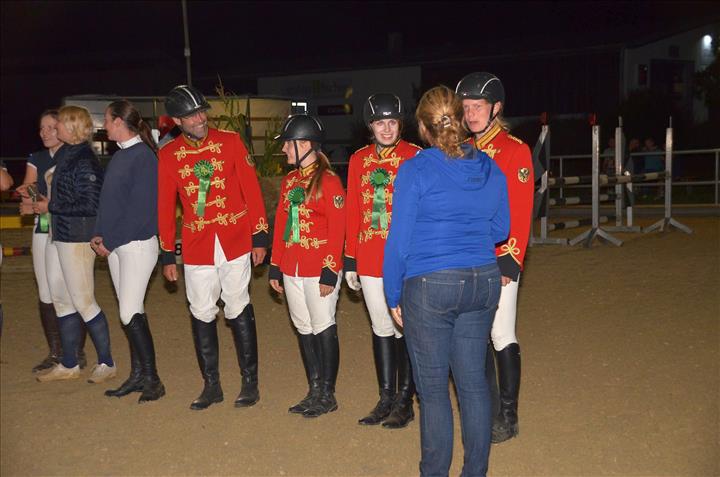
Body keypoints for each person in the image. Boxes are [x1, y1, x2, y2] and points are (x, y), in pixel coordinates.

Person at [384, 85, 509, 476]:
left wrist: (392, 293)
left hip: (431, 284)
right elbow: (501, 228)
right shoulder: (489, 166)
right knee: (472, 383)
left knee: (434, 389)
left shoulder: (416, 168)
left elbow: (399, 240)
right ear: (460, 120)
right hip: (483, 280)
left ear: (423, 128)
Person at [158, 85, 268, 410]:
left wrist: (260, 236)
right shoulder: (167, 155)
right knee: (201, 310)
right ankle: (212, 385)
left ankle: (249, 383)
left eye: (202, 112)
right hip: (197, 244)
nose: (200, 119)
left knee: (238, 304)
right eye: (192, 115)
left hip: (235, 238)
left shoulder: (231, 142)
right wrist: (167, 253)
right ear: (178, 120)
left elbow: (251, 189)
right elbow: (165, 206)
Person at [456, 72, 534, 443]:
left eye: (478, 106)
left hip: (500, 258)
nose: (471, 114)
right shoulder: (461, 150)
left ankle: (508, 414)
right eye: (466, 107)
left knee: (500, 333)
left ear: (496, 108)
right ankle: (484, 409)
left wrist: (511, 260)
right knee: (474, 336)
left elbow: (521, 209)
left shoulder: (515, 150)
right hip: (466, 257)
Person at [345, 93, 422, 428]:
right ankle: (386, 397)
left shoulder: (415, 156)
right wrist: (350, 258)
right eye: (380, 123)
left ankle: (405, 400)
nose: (387, 129)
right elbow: (353, 210)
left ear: (400, 124)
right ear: (371, 126)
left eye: (392, 122)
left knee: (404, 327)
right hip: (369, 255)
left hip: (404, 257)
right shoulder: (358, 160)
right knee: (380, 326)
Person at [268, 114, 346, 418]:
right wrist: (276, 265)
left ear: (304, 144)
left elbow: (338, 229)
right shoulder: (290, 182)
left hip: (319, 267)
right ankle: (314, 389)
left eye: (288, 144)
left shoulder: (329, 181)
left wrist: (330, 270)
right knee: (303, 327)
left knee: (323, 325)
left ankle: (328, 393)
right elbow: (282, 225)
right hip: (293, 266)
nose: (284, 149)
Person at [37, 105, 117, 384]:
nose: (55, 127)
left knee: (84, 301)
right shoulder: (69, 155)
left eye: (58, 123)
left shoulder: (84, 160)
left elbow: (90, 204)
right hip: (60, 235)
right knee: (61, 300)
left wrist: (51, 206)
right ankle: (69, 363)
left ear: (71, 126)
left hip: (78, 238)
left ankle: (107, 362)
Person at [92, 100, 165, 403]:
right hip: (118, 244)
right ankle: (138, 375)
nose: (105, 126)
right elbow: (109, 202)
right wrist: (99, 232)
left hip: (136, 245)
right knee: (131, 311)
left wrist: (110, 240)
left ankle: (153, 379)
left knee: (128, 311)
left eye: (108, 121)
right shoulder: (121, 156)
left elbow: (140, 211)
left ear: (120, 122)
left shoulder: (144, 158)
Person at [17, 110, 88, 373]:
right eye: (41, 128)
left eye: (50, 127)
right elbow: (29, 189)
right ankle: (56, 351)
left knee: (72, 289)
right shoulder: (37, 158)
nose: (45, 132)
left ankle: (77, 351)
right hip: (43, 227)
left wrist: (40, 201)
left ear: (62, 128)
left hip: (68, 228)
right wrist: (29, 199)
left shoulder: (73, 155)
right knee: (46, 292)